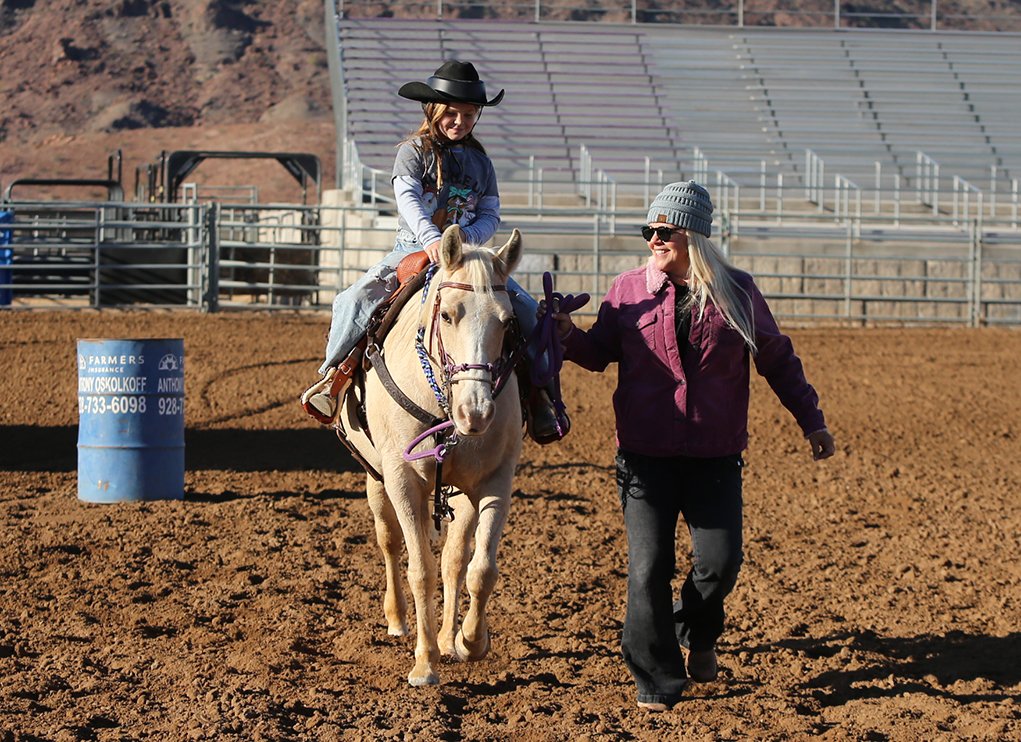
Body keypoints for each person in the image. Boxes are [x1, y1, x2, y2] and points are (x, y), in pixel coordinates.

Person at [542, 181, 835, 712]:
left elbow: (777, 359)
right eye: (649, 230)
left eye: (664, 231)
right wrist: (566, 333)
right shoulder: (627, 289)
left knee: (719, 564)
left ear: (693, 234)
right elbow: (598, 352)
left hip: (714, 452)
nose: (653, 239)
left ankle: (696, 634)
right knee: (648, 567)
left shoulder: (738, 291)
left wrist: (810, 420)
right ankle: (654, 676)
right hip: (644, 454)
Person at [301, 60, 567, 443]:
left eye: (469, 114)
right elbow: (408, 200)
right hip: (415, 249)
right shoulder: (412, 152)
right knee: (355, 299)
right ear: (434, 111)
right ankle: (334, 377)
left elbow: (491, 213)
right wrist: (432, 240)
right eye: (452, 113)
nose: (460, 121)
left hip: (469, 257)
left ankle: (542, 396)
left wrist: (468, 238)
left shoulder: (482, 162)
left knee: (526, 311)